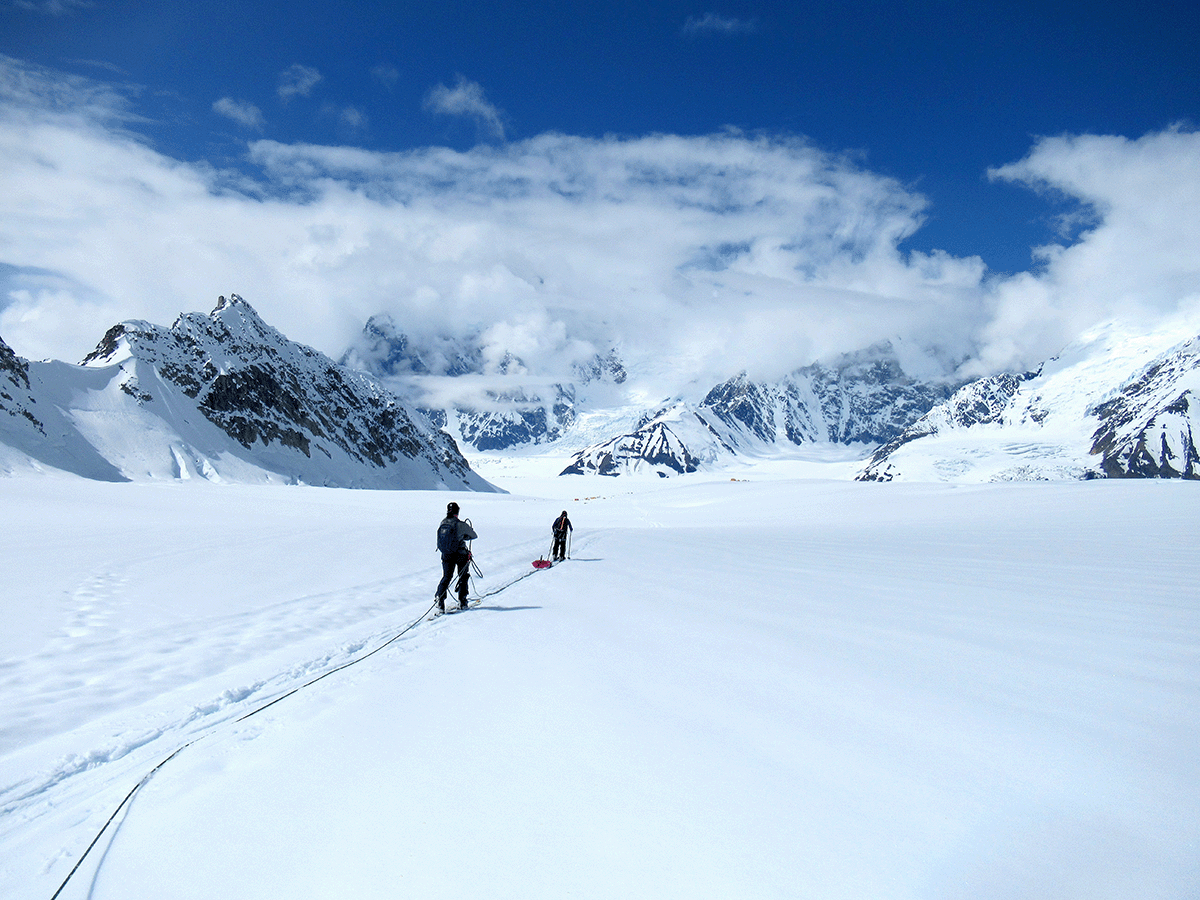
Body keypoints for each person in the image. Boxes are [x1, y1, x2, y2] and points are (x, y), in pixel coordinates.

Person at [435, 501, 477, 611]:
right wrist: (465, 536)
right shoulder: (460, 524)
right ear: (457, 512)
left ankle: (439, 599)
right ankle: (462, 601)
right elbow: (473, 535)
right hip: (460, 554)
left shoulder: (442, 523)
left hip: (446, 554)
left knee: (447, 577)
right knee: (463, 576)